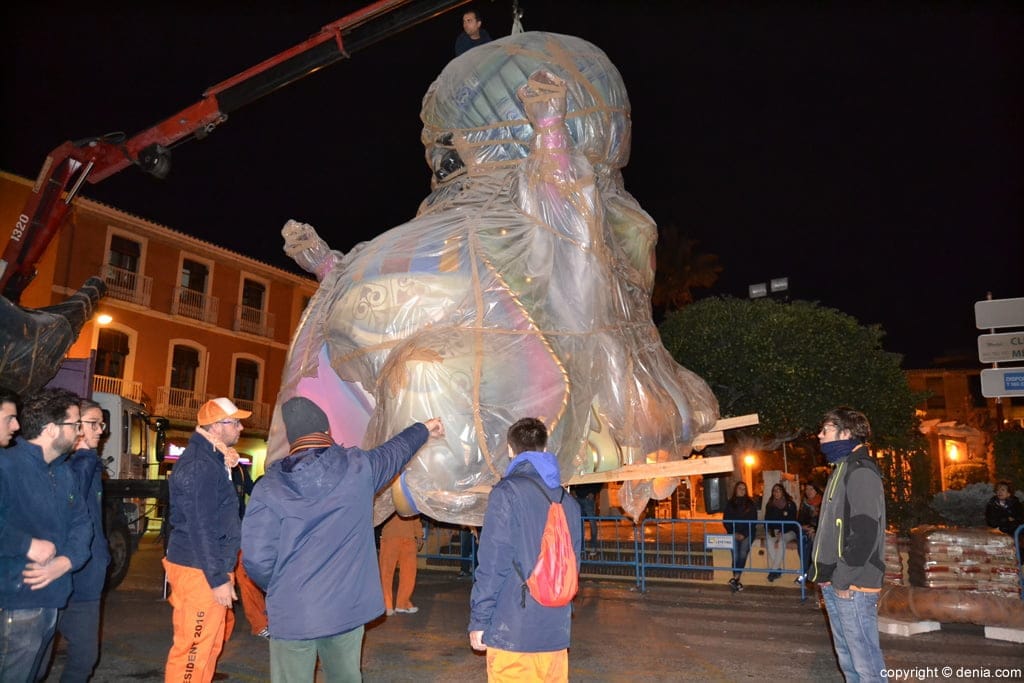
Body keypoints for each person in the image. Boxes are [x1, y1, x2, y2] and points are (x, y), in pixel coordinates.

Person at [241, 396, 443, 682]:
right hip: (345, 609)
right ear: (326, 430)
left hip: (293, 612)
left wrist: (281, 586)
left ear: (292, 439)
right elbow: (395, 450)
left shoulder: (269, 486)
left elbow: (255, 557)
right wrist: (424, 427)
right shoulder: (358, 468)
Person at [468, 417, 583, 682]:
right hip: (556, 630)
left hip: (513, 631)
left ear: (511, 450)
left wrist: (480, 619)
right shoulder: (569, 502)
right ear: (545, 448)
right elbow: (572, 565)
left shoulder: (506, 493)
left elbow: (493, 564)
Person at [0, 388, 91, 682]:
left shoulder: (63, 473)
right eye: (75, 424)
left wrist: (66, 562)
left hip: (53, 597)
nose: (80, 432)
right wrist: (26, 544)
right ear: (51, 429)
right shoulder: (7, 466)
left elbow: (83, 524)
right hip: (17, 601)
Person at [163, 397, 250, 683]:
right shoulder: (201, 465)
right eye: (234, 422)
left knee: (209, 644)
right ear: (215, 426)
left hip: (205, 566)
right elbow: (200, 526)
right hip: (199, 570)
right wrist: (217, 579)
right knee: (193, 648)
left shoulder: (214, 457)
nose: (240, 427)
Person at [811, 407, 887, 681]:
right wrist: (826, 576)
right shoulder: (841, 468)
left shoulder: (860, 471)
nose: (819, 435)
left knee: (866, 664)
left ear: (846, 433)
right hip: (837, 581)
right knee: (848, 660)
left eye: (826, 430)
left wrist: (844, 578)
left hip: (853, 584)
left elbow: (865, 533)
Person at [38, 399, 111, 682]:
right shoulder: (67, 465)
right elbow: (71, 503)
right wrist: (84, 456)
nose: (101, 430)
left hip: (86, 578)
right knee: (40, 661)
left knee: (83, 657)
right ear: (75, 426)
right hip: (66, 577)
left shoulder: (86, 463)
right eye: (94, 423)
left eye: (102, 424)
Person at [228, 461, 269, 639]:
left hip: (240, 533)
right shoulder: (211, 467)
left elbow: (254, 490)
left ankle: (261, 623)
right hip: (222, 536)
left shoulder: (239, 469)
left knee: (247, 578)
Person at [379, 512, 423, 615]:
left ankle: (402, 604)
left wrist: (419, 534)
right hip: (390, 536)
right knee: (386, 573)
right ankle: (387, 605)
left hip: (408, 538)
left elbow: (415, 513)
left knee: (409, 574)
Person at [722, 480, 758, 592]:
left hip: (747, 532)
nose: (742, 490)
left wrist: (744, 534)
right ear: (735, 490)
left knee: (742, 553)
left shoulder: (750, 503)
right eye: (740, 488)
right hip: (733, 533)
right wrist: (733, 532)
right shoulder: (730, 503)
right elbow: (726, 520)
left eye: (744, 488)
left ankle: (736, 578)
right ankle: (736, 580)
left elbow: (753, 520)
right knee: (735, 554)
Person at [763, 482, 797, 582]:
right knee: (768, 541)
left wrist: (782, 531)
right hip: (775, 531)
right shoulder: (770, 505)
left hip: (789, 531)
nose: (776, 492)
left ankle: (773, 570)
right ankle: (777, 569)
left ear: (783, 492)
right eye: (774, 491)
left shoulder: (790, 504)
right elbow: (766, 521)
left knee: (781, 542)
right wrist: (771, 532)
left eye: (778, 490)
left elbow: (792, 521)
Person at [796, 482, 822, 583]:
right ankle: (806, 572)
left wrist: (814, 529)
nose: (808, 491)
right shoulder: (804, 503)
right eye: (807, 489)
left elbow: (824, 520)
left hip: (818, 530)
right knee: (802, 542)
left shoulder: (822, 502)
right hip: (805, 529)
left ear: (816, 490)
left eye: (811, 489)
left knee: (811, 543)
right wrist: (803, 526)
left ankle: (806, 573)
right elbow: (800, 519)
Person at [985, 480, 1023, 548]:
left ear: (1009, 493)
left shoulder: (1016, 505)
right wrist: (1007, 519)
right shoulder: (992, 504)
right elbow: (991, 521)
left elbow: (1019, 520)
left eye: (1002, 490)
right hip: (996, 533)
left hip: (1014, 534)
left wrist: (1003, 521)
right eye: (998, 490)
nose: (999, 492)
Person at [573, 483, 602, 558]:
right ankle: (581, 547)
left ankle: (593, 546)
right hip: (578, 496)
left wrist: (593, 492)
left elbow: (599, 481)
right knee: (579, 523)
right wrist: (573, 490)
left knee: (592, 522)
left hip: (587, 497)